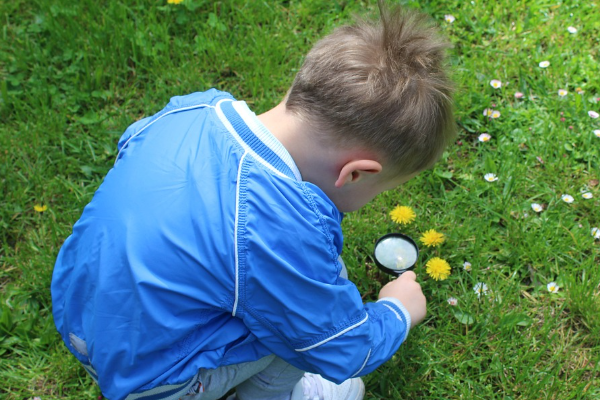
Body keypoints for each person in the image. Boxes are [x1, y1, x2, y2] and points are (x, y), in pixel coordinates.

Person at [51, 1, 455, 400]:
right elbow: (340, 347)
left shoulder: (195, 107)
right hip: (151, 376)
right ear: (355, 173)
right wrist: (397, 313)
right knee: (299, 323)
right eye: (381, 189)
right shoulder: (278, 226)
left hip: (81, 311)